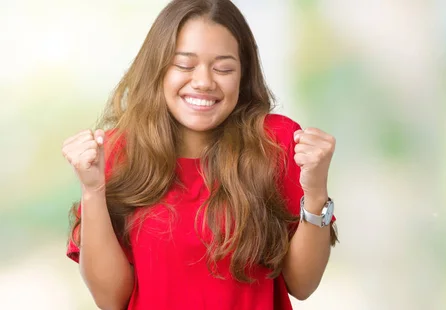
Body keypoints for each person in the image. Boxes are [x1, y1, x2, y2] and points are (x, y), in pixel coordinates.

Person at [61, 0, 338, 309]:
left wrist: (315, 192)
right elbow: (111, 299)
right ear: (159, 68)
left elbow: (302, 285)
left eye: (223, 68)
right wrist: (92, 189)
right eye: (185, 65)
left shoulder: (275, 143)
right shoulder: (116, 153)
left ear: (243, 75)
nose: (204, 82)